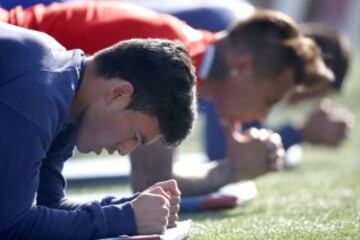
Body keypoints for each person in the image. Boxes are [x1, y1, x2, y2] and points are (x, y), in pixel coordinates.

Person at [1, 1, 335, 195]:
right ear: (242, 66)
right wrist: (233, 170)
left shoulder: (188, 48)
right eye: (269, 98)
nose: (262, 114)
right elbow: (152, 184)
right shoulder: (178, 62)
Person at [0, 22, 197, 239]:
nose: (124, 150)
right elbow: (12, 225)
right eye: (135, 136)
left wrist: (130, 207)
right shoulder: (40, 91)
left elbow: (49, 203)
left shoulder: (67, 94)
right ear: (119, 94)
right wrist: (125, 218)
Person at [156, 3, 353, 161]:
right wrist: (300, 133)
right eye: (310, 90)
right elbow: (222, 152)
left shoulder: (254, 35)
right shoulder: (244, 48)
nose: (300, 99)